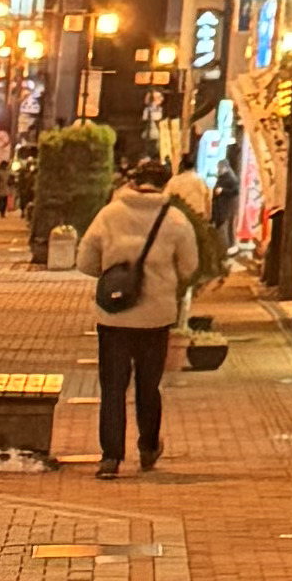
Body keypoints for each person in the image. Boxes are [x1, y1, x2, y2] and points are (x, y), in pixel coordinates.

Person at [86, 146, 203, 477]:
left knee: (112, 387)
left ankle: (110, 458)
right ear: (164, 185)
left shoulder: (109, 214)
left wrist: (114, 277)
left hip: (113, 317)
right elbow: (189, 266)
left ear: (134, 183)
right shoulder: (176, 220)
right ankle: (148, 447)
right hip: (156, 318)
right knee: (148, 386)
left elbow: (85, 260)